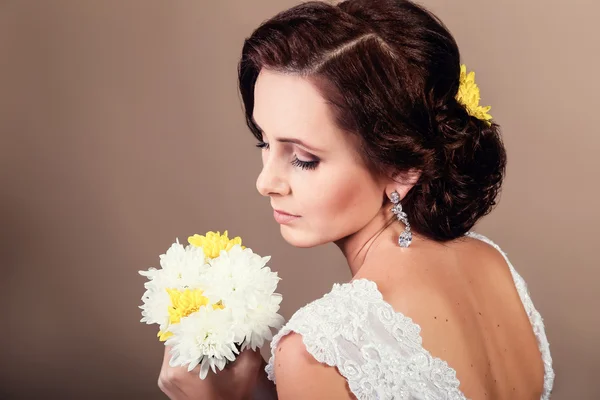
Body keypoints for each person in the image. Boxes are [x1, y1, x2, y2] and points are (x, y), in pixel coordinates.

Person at [158, 0, 554, 398]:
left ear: (401, 168)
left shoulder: (319, 351)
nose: (266, 182)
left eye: (304, 159)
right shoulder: (492, 262)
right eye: (264, 141)